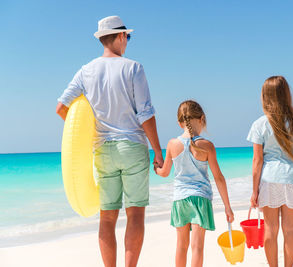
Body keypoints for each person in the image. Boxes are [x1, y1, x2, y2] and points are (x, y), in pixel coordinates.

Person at [56, 16, 164, 267]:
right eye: (127, 36)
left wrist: (87, 135)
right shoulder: (133, 67)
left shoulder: (86, 71)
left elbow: (61, 107)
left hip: (102, 150)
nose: (127, 41)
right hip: (132, 147)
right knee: (135, 213)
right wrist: (158, 151)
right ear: (118, 37)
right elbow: (145, 113)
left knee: (107, 218)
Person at [155, 100, 234, 267]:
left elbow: (164, 173)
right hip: (200, 199)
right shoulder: (206, 145)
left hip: (180, 200)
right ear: (202, 119)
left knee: (181, 246)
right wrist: (227, 207)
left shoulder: (172, 144)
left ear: (179, 122)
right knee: (197, 247)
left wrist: (156, 168)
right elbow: (219, 177)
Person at [248, 76, 293, 267]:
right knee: (290, 229)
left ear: (264, 97)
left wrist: (254, 191)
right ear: (286, 95)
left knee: (270, 229)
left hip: (269, 179)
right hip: (292, 178)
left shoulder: (259, 124)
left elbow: (257, 161)